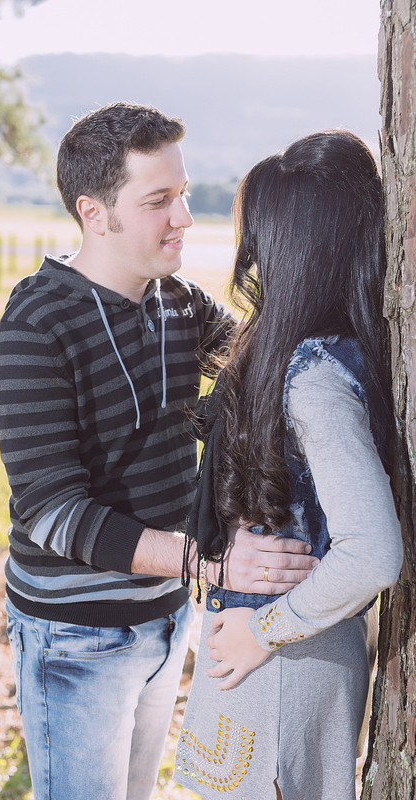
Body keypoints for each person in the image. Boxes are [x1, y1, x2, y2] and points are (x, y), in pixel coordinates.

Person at [0, 102, 317, 800]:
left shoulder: (180, 304)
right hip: (75, 639)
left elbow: (266, 372)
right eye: (159, 200)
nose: (184, 217)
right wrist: (210, 555)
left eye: (183, 193)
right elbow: (53, 513)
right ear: (94, 213)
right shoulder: (30, 334)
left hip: (167, 616)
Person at [175, 130, 404, 800]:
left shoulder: (312, 378)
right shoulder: (311, 353)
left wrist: (259, 632)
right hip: (270, 653)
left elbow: (370, 553)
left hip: (279, 659)